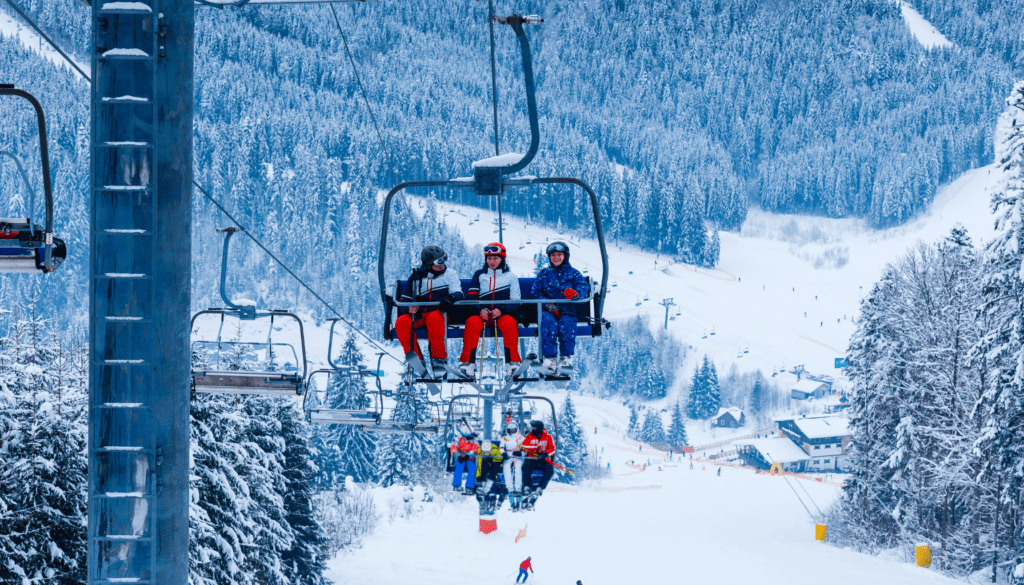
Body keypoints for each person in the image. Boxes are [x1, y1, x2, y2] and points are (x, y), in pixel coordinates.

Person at [395, 245, 464, 377]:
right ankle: (417, 359)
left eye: (444, 260)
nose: (442, 265)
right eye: (438, 262)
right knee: (402, 322)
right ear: (428, 264)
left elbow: (458, 292)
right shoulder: (416, 278)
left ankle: (438, 360)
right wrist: (409, 308)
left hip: (439, 314)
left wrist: (452, 297)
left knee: (434, 319)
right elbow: (403, 301)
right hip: (420, 316)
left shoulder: (449, 274)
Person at [459, 242, 522, 377]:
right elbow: (472, 298)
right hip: (483, 314)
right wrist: (479, 310)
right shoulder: (479, 275)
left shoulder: (510, 277)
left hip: (502, 314)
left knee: (510, 324)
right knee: (472, 323)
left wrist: (502, 310)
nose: (491, 262)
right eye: (489, 258)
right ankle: (467, 364)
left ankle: (512, 364)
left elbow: (516, 301)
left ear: (502, 259)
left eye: (495, 258)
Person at [531, 241, 589, 373]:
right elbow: (535, 292)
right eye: (553, 255)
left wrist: (576, 294)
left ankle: (565, 359)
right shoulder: (544, 274)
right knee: (548, 322)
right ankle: (550, 359)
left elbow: (583, 286)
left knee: (566, 323)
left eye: (559, 254)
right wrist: (547, 303)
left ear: (565, 256)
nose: (556, 258)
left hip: (567, 310)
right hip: (548, 311)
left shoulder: (573, 274)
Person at [521, 420, 556, 498]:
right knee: (526, 466)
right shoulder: (529, 436)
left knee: (549, 469)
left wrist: (546, 454)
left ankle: (540, 487)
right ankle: (527, 486)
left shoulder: (548, 437)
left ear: (539, 428)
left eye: (534, 427)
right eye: (532, 427)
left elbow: (552, 449)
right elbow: (523, 446)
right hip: (531, 459)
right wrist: (534, 447)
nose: (533, 429)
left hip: (543, 460)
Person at [500, 421, 525, 495]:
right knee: (506, 467)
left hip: (517, 456)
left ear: (516, 429)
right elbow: (501, 447)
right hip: (508, 455)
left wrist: (520, 453)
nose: (512, 432)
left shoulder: (521, 438)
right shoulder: (505, 438)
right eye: (510, 430)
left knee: (517, 467)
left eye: (513, 430)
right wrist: (503, 453)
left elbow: (524, 448)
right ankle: (509, 487)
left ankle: (518, 487)